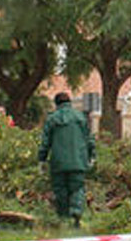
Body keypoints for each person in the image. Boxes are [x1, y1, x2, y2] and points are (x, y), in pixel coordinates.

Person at [38, 92, 96, 227]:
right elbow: (89, 139)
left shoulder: (52, 119)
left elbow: (45, 142)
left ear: (56, 104)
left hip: (58, 162)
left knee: (60, 190)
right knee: (77, 188)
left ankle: (63, 217)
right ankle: (76, 213)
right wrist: (92, 156)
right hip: (78, 160)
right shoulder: (80, 117)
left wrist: (42, 159)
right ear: (70, 102)